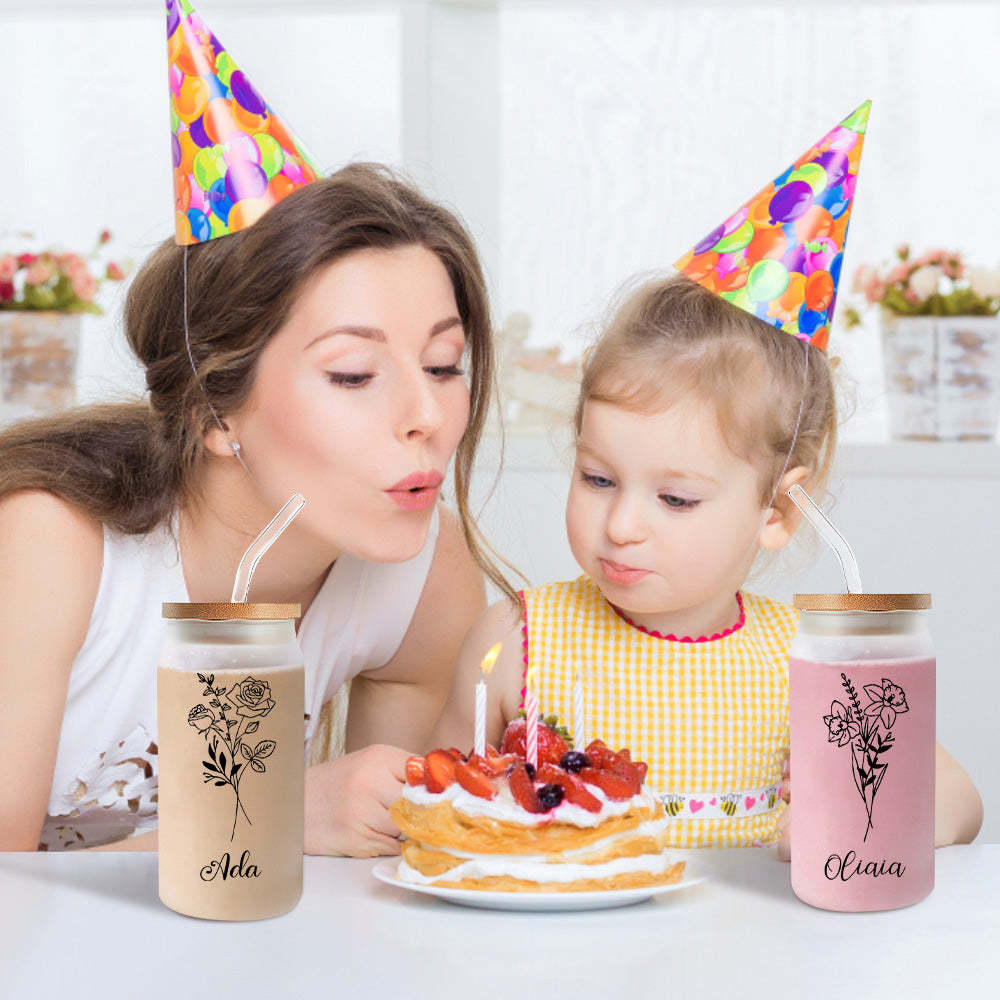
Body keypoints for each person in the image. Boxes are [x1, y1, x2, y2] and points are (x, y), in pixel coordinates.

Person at [0, 163, 516, 856]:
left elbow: (382, 877)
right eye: (354, 375)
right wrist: (280, 818)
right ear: (213, 412)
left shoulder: (421, 577)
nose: (428, 416)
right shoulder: (46, 544)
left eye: (443, 364)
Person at [432, 267, 983, 850]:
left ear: (777, 510)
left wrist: (858, 821)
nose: (621, 526)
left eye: (676, 499)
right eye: (598, 478)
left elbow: (959, 801)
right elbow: (433, 814)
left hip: (757, 941)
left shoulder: (810, 662)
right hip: (571, 940)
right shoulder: (516, 644)